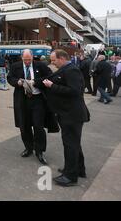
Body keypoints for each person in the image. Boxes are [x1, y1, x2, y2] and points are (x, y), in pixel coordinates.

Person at [42, 49, 90, 187]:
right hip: (68, 113)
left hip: (72, 115)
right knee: (74, 144)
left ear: (62, 58)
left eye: (54, 60)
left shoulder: (71, 70)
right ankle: (78, 169)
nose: (52, 63)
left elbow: (75, 91)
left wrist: (53, 86)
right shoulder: (67, 69)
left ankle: (70, 176)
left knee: (70, 144)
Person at [7, 49, 56, 165]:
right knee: (24, 126)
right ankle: (28, 148)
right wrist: (17, 82)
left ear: (33, 57)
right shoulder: (16, 66)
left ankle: (39, 151)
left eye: (29, 59)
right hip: (22, 100)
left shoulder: (40, 65)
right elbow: (10, 78)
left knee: (38, 126)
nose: (27, 62)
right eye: (25, 60)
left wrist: (35, 82)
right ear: (21, 58)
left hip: (37, 99)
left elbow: (50, 76)